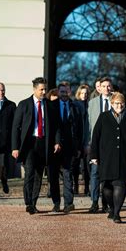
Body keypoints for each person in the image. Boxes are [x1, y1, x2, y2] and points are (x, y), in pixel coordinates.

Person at [11, 77, 61, 215]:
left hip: (44, 143)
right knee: (29, 172)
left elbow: (56, 126)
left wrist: (57, 141)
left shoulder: (50, 105)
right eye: (41, 89)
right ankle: (28, 202)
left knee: (39, 174)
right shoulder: (23, 104)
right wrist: (15, 147)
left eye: (45, 89)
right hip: (29, 144)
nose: (44, 92)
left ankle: (33, 203)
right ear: (34, 89)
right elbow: (15, 127)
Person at [90, 92, 126, 223]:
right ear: (111, 104)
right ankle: (112, 208)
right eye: (117, 103)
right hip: (106, 157)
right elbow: (95, 137)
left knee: (120, 184)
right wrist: (94, 155)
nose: (119, 105)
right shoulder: (104, 117)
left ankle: (117, 213)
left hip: (124, 157)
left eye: (122, 103)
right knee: (106, 187)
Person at [48, 82, 82, 214]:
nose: (64, 94)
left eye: (66, 92)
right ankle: (56, 203)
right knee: (53, 175)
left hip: (69, 147)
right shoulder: (51, 106)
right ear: (58, 92)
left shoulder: (75, 107)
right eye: (62, 91)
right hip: (54, 147)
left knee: (68, 175)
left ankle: (69, 203)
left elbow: (79, 128)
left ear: (70, 92)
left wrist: (78, 146)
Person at [87, 77, 113, 213]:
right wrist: (89, 144)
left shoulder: (117, 101)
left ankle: (106, 203)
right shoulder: (92, 103)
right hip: (96, 143)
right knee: (95, 174)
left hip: (111, 145)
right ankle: (94, 202)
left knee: (108, 175)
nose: (106, 88)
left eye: (109, 86)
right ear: (100, 88)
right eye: (104, 86)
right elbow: (89, 125)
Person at [72, 84, 91, 195]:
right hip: (77, 138)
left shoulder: (90, 104)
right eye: (82, 93)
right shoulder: (75, 105)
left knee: (86, 166)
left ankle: (87, 188)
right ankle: (75, 187)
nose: (84, 95)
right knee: (75, 165)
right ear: (78, 94)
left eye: (86, 93)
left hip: (87, 138)